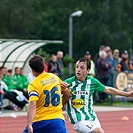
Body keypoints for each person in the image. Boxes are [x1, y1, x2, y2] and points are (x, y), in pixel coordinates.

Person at [63, 57, 133, 133]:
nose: (78, 69)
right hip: (79, 121)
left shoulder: (92, 81)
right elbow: (55, 89)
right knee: (99, 132)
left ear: (88, 70)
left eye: (82, 68)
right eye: (77, 67)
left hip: (92, 117)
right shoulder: (68, 82)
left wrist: (126, 94)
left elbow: (107, 89)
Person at [23, 55, 70, 133]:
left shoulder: (34, 84)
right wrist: (60, 105)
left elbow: (32, 104)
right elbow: (67, 94)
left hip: (40, 121)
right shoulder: (54, 77)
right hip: (57, 119)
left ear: (33, 70)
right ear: (44, 66)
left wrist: (29, 124)